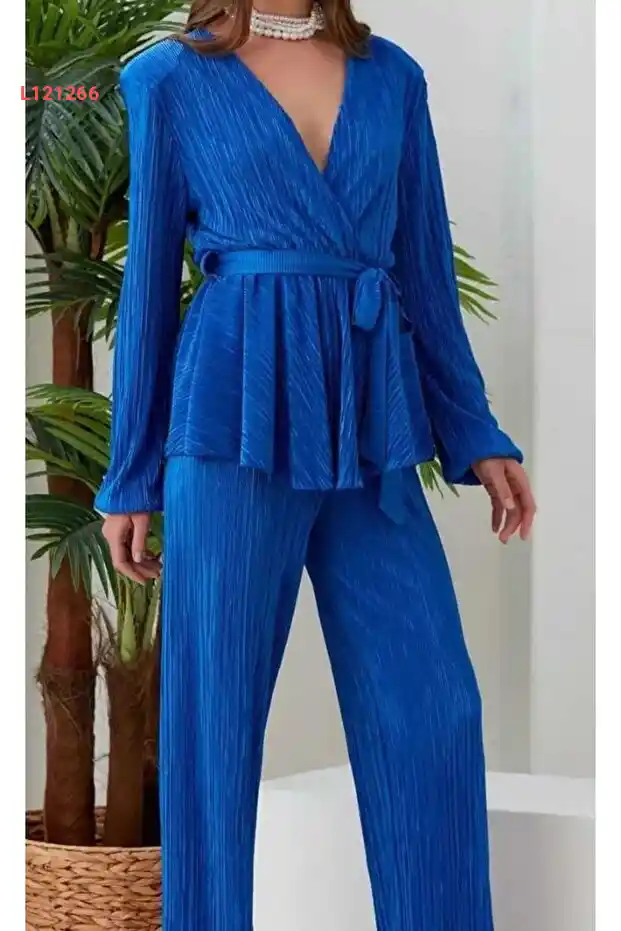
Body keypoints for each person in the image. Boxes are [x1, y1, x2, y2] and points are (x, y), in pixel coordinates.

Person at [95, 2, 537, 928]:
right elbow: (148, 288)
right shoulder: (169, 79)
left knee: (432, 709)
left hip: (373, 416)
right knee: (214, 724)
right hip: (232, 416)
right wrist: (130, 471)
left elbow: (423, 271)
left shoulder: (392, 76)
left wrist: (476, 431)